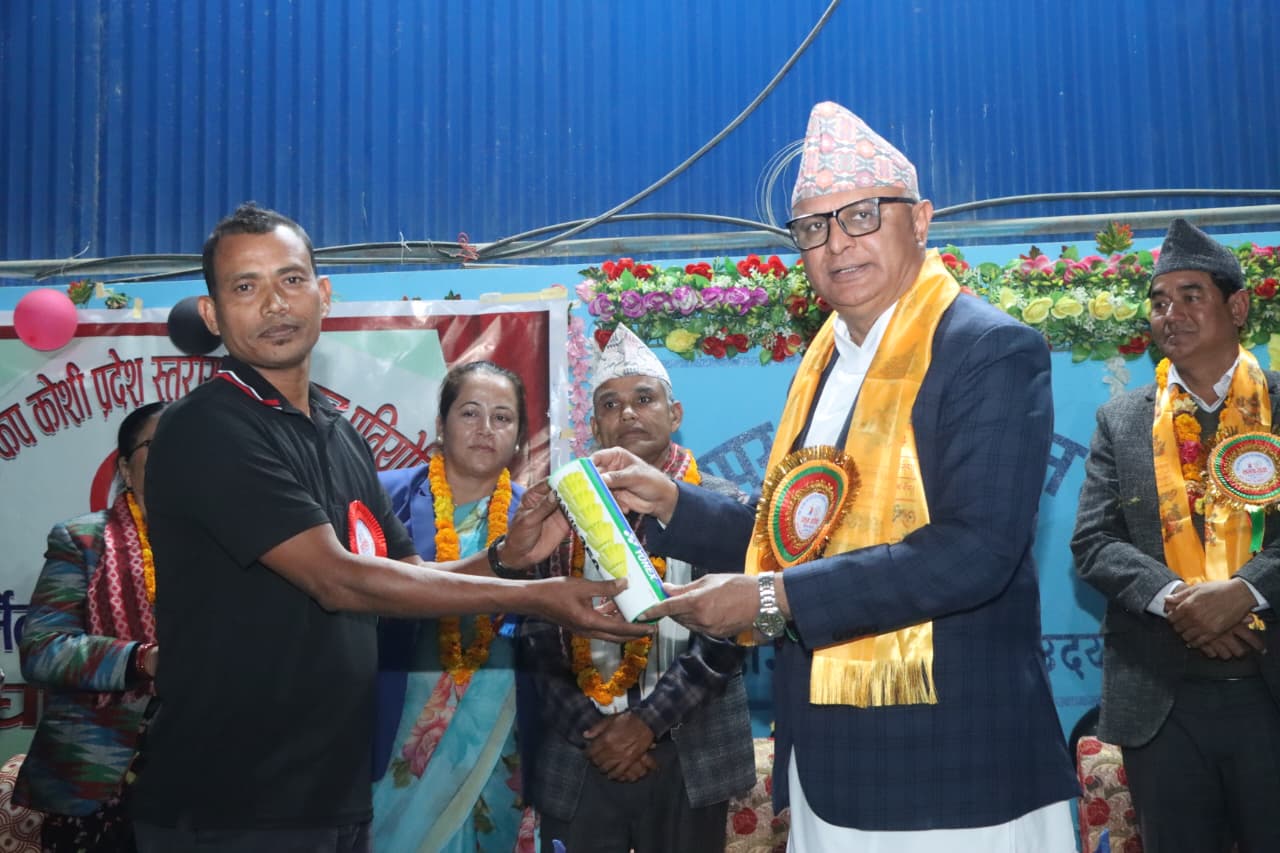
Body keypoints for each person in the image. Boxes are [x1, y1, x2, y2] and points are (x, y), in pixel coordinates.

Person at [595, 102, 1078, 850]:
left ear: (921, 220)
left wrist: (770, 597)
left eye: (860, 215)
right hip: (827, 764)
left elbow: (975, 550)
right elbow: (800, 532)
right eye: (814, 227)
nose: (837, 243)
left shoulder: (988, 349)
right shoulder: (824, 362)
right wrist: (672, 503)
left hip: (953, 773)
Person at [128, 202, 647, 852]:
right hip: (227, 803)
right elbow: (339, 580)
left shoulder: (338, 432)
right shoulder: (209, 426)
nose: (274, 304)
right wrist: (536, 596)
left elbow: (407, 574)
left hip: (331, 793)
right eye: (245, 286)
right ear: (212, 314)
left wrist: (505, 559)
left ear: (323, 294)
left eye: (291, 280)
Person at [1072, 218, 1280, 853]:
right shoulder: (1122, 419)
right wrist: (1183, 603)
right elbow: (1094, 541)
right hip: (1163, 701)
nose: (1172, 314)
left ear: (1237, 308)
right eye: (1160, 302)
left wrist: (1243, 591)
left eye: (1192, 296)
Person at [522, 325, 755, 853]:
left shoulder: (723, 506)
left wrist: (646, 724)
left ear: (675, 414)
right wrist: (595, 732)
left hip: (692, 751)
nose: (627, 413)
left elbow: (731, 632)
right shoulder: (560, 507)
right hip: (581, 751)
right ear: (595, 425)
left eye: (644, 399)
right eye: (610, 404)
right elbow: (535, 628)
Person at [371, 360, 537, 851]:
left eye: (502, 417)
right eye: (470, 413)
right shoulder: (384, 497)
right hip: (395, 721)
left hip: (502, 736)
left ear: (520, 438)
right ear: (440, 425)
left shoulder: (538, 519)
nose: (486, 429)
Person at [16, 401, 167, 852]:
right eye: (159, 445)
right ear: (125, 467)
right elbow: (43, 649)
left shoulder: (229, 544)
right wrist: (143, 659)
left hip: (202, 776)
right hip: (94, 775)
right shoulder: (83, 540)